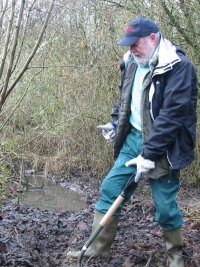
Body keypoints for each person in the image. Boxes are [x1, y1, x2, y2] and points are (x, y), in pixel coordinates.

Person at [67, 17, 198, 267]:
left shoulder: (179, 68)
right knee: (110, 190)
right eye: (128, 45)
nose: (130, 49)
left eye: (134, 43)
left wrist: (149, 154)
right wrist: (116, 122)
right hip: (133, 139)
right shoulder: (131, 62)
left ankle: (175, 256)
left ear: (152, 38)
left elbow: (173, 116)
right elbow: (125, 97)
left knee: (165, 205)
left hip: (165, 146)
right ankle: (97, 249)